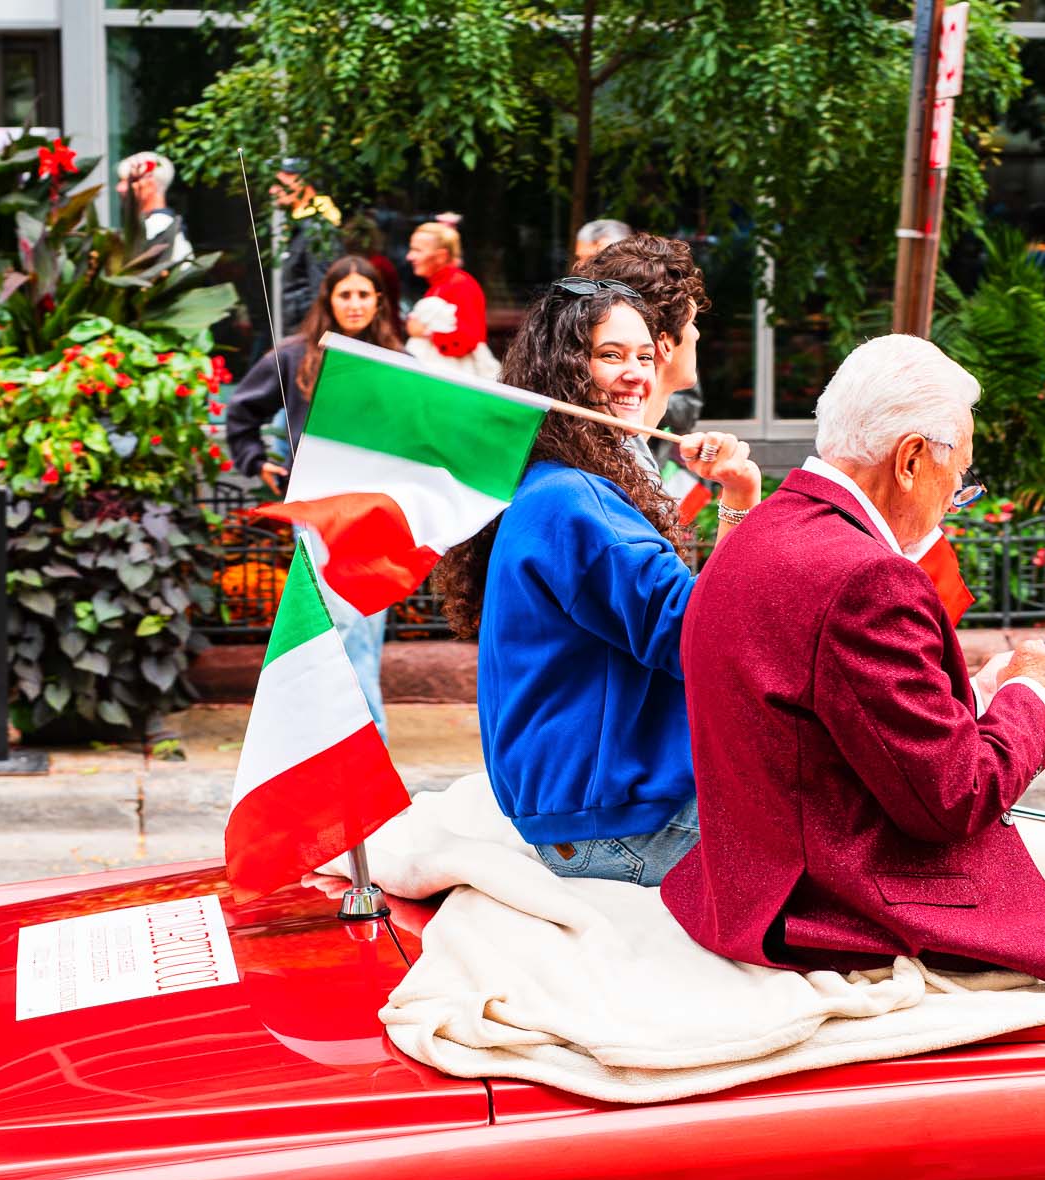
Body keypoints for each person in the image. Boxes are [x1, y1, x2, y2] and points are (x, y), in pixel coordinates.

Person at [662, 334, 1045, 1030]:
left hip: (756, 882)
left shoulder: (758, 530)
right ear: (913, 457)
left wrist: (976, 697)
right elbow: (954, 798)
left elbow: (835, 715)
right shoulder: (867, 575)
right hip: (841, 906)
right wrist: (1035, 695)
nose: (958, 496)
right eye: (962, 476)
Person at [434, 279, 761, 884]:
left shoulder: (557, 484)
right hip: (618, 827)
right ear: (562, 370)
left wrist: (736, 498)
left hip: (590, 817)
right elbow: (703, 635)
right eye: (610, 355)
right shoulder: (574, 499)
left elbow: (692, 622)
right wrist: (751, 513)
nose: (638, 374)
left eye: (645, 355)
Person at [226, 256, 400, 737]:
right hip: (321, 512)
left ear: (378, 302)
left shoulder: (399, 364)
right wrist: (256, 461)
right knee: (343, 626)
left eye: (364, 294)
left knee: (364, 628)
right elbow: (240, 413)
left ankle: (337, 737)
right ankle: (369, 741)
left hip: (380, 515)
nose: (355, 303)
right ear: (329, 300)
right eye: (345, 294)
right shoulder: (295, 356)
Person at [576, 231, 706, 450]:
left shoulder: (610, 455)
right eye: (691, 322)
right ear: (664, 344)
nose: (696, 335)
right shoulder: (605, 466)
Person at [403, 220, 497, 380]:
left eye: (417, 250)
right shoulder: (440, 285)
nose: (409, 256)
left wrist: (425, 332)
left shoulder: (461, 286)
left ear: (441, 256)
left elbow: (469, 340)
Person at [271, 161, 344, 330]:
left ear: (301, 182)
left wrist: (309, 342)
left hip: (308, 338)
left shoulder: (317, 230)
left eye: (280, 184)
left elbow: (322, 293)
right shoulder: (304, 226)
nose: (273, 191)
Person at [115, 151, 193, 267]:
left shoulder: (159, 229)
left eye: (129, 181)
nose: (120, 188)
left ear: (150, 183)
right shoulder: (165, 228)